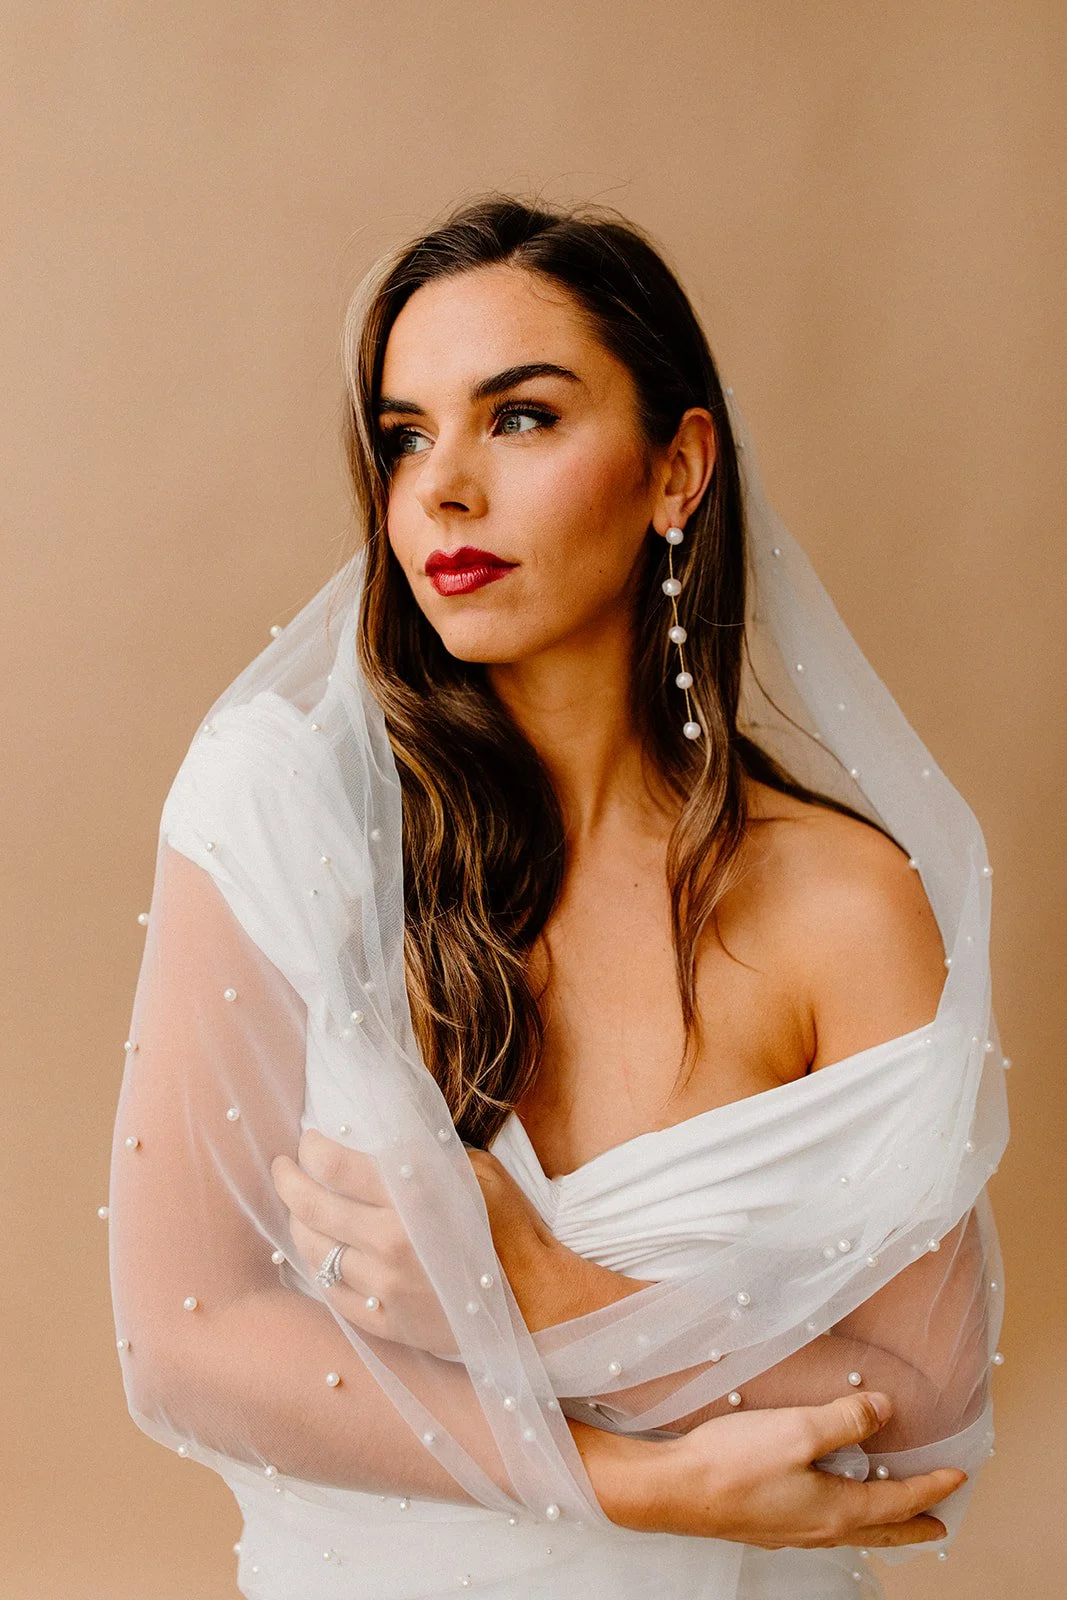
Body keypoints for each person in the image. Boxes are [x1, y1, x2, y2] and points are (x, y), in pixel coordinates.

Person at [107, 194, 1007, 1600]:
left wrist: (542, 1291)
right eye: (405, 437)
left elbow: (926, 1426)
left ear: (676, 470)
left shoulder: (842, 903)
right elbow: (185, 1342)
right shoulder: (286, 817)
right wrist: (629, 1484)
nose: (444, 490)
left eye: (519, 418)